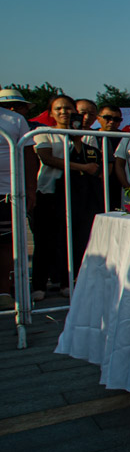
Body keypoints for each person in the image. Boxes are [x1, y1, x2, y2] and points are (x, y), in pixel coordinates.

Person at [31, 95, 103, 299]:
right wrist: (81, 167)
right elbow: (47, 158)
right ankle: (39, 284)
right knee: (45, 240)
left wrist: (77, 139)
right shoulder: (43, 132)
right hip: (50, 191)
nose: (64, 112)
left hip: (78, 193)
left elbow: (93, 161)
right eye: (59, 108)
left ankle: (66, 281)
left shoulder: (86, 135)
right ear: (51, 112)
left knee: (73, 239)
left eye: (68, 108)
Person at [0, 100, 32, 309]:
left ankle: (3, 290)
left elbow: (30, 158)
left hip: (7, 192)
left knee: (5, 244)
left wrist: (30, 189)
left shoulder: (15, 119)